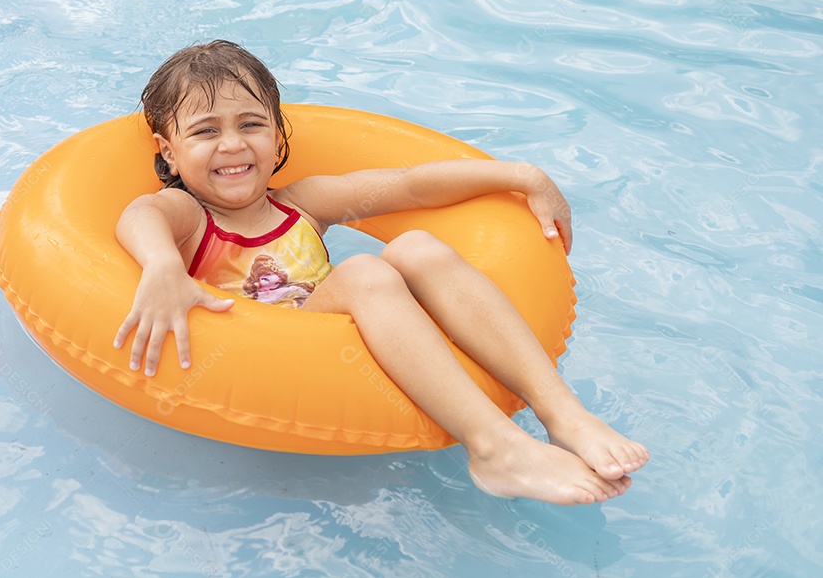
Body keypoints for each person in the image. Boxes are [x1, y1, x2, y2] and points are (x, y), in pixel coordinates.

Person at [113, 40, 649, 505]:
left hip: (342, 332)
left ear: (277, 138)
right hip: (273, 357)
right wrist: (163, 265)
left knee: (416, 245)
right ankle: (493, 447)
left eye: (250, 124)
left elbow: (410, 185)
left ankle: (562, 412)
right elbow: (141, 213)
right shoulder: (192, 216)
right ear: (170, 152)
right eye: (206, 132)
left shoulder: (302, 205)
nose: (232, 143)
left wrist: (522, 174)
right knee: (365, 270)